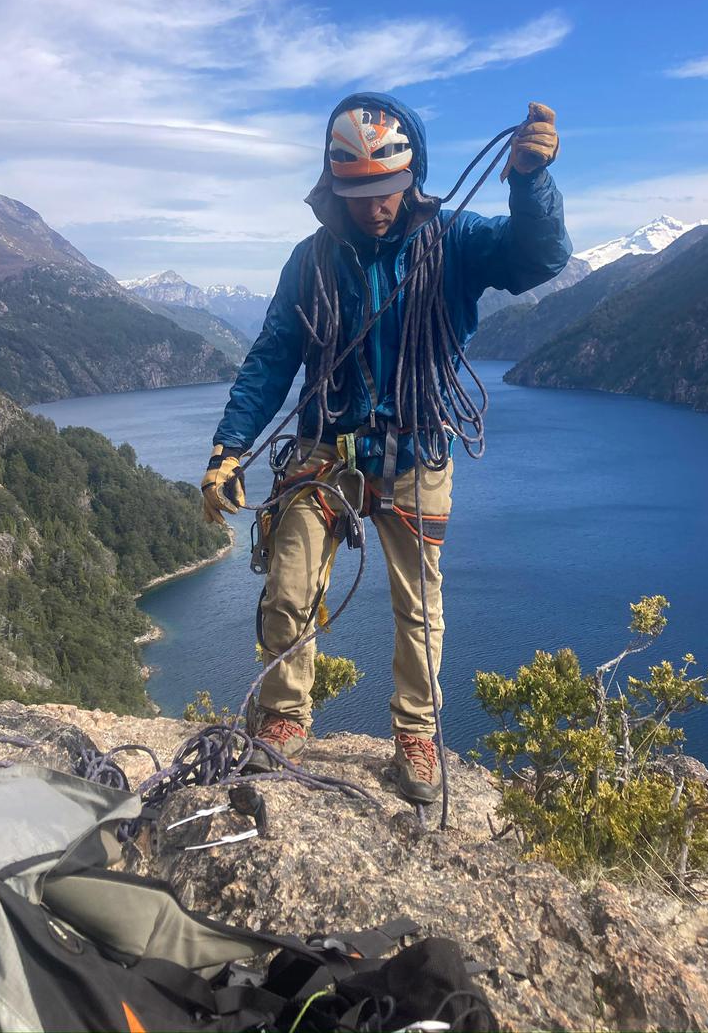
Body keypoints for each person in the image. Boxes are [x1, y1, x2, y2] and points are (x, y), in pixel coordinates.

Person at [201, 93, 570, 804]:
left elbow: (541, 256)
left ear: (414, 177)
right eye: (361, 193)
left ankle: (418, 735)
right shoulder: (311, 262)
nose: (376, 207)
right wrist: (229, 446)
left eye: (389, 191)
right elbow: (272, 357)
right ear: (337, 186)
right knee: (288, 587)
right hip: (323, 449)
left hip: (416, 446)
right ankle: (281, 719)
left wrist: (529, 181)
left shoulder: (455, 241)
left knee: (419, 606)